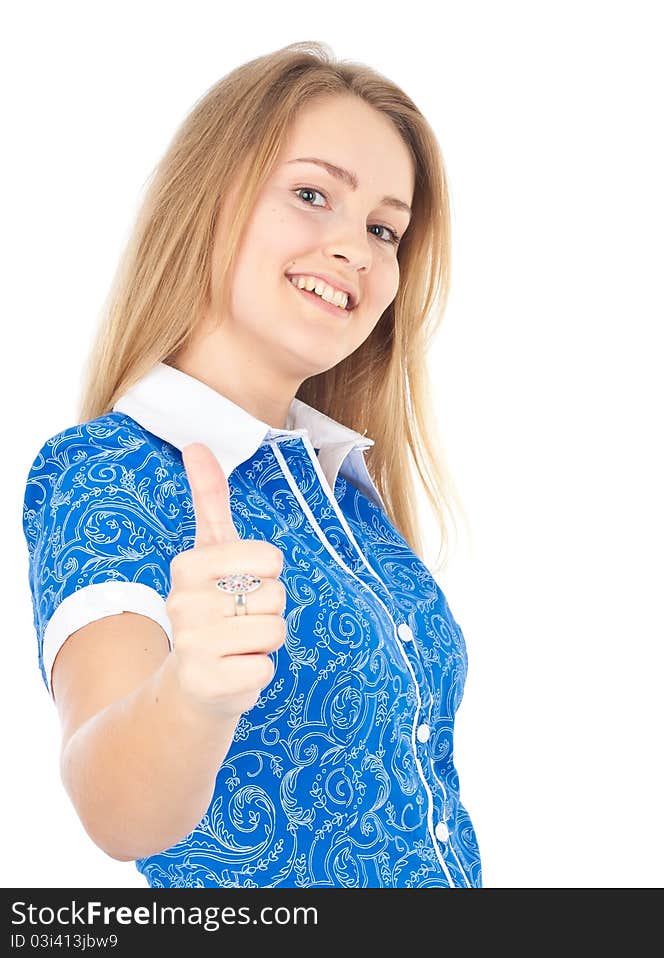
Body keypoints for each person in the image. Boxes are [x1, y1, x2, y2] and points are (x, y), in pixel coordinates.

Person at [21, 41, 482, 889]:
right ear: (208, 202)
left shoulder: (348, 494)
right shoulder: (107, 473)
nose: (358, 250)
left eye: (385, 229)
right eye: (313, 195)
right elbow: (116, 807)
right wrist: (194, 693)